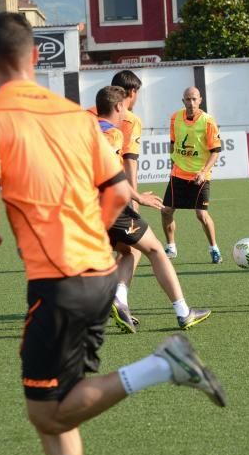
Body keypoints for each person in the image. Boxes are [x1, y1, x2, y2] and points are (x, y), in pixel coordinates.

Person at [0, 13, 226, 455]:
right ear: (37, 57)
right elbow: (119, 191)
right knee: (63, 399)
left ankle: (160, 367)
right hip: (98, 273)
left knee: (45, 413)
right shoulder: (74, 117)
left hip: (58, 279)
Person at [94, 86, 211, 333]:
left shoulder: (84, 129)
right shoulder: (112, 135)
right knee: (156, 250)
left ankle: (119, 300)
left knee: (130, 251)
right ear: (118, 107)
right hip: (110, 207)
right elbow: (111, 175)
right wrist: (138, 196)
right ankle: (183, 312)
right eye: (123, 107)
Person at [87, 70, 146, 328]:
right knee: (139, 250)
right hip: (110, 198)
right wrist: (134, 198)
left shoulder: (87, 114)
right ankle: (118, 300)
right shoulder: (128, 121)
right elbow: (127, 163)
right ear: (129, 95)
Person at [161, 87, 224, 264]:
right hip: (178, 173)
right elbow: (172, 143)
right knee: (166, 211)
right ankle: (171, 247)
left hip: (200, 176)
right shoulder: (175, 118)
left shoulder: (208, 121)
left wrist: (203, 172)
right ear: (183, 101)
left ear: (200, 100)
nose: (191, 103)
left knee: (201, 215)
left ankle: (214, 248)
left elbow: (215, 151)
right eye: (187, 100)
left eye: (194, 99)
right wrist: (172, 163)